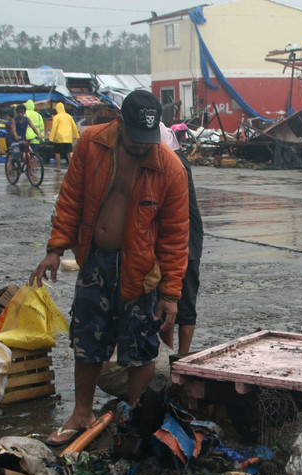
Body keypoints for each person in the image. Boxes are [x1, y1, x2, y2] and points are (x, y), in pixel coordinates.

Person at [29, 90, 189, 445]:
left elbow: (177, 238)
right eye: (135, 138)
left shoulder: (170, 168)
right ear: (120, 123)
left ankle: (134, 416)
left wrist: (171, 295)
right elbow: (70, 198)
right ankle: (81, 413)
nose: (141, 146)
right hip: (95, 260)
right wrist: (55, 248)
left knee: (140, 347)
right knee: (87, 340)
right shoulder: (91, 143)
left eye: (148, 140)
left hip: (141, 268)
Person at [157, 123, 203, 354]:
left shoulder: (176, 164)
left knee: (184, 307)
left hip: (187, 244)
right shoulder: (169, 160)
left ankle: (181, 359)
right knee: (166, 305)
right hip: (170, 243)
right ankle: (168, 359)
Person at [49, 102, 79, 172]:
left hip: (59, 138)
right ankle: (71, 167)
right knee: (69, 152)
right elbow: (74, 127)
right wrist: (76, 136)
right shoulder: (69, 116)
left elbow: (54, 128)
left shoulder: (56, 117)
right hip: (68, 138)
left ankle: (58, 167)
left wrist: (51, 138)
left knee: (57, 152)